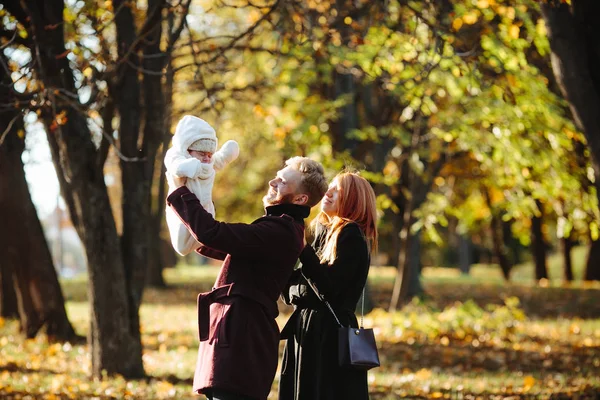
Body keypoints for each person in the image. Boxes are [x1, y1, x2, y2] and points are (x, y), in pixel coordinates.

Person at [166, 156, 328, 400]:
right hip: (240, 332)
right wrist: (194, 234)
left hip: (243, 337)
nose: (273, 181)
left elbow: (212, 232)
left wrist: (180, 189)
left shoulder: (281, 230)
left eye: (283, 182)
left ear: (300, 199)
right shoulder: (280, 227)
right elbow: (221, 243)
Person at [278, 171, 378, 400]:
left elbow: (327, 289)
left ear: (353, 200)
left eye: (337, 190)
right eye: (329, 187)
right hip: (310, 330)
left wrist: (303, 250)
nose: (328, 192)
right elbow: (295, 288)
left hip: (328, 336)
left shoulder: (351, 234)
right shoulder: (324, 234)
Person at [164, 115, 240, 256]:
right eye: (201, 154)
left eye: (210, 154)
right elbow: (175, 166)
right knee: (182, 241)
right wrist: (191, 166)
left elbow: (220, 160)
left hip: (205, 208)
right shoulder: (178, 157)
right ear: (188, 150)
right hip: (181, 208)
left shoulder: (209, 164)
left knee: (205, 234)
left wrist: (227, 154)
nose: (206, 158)